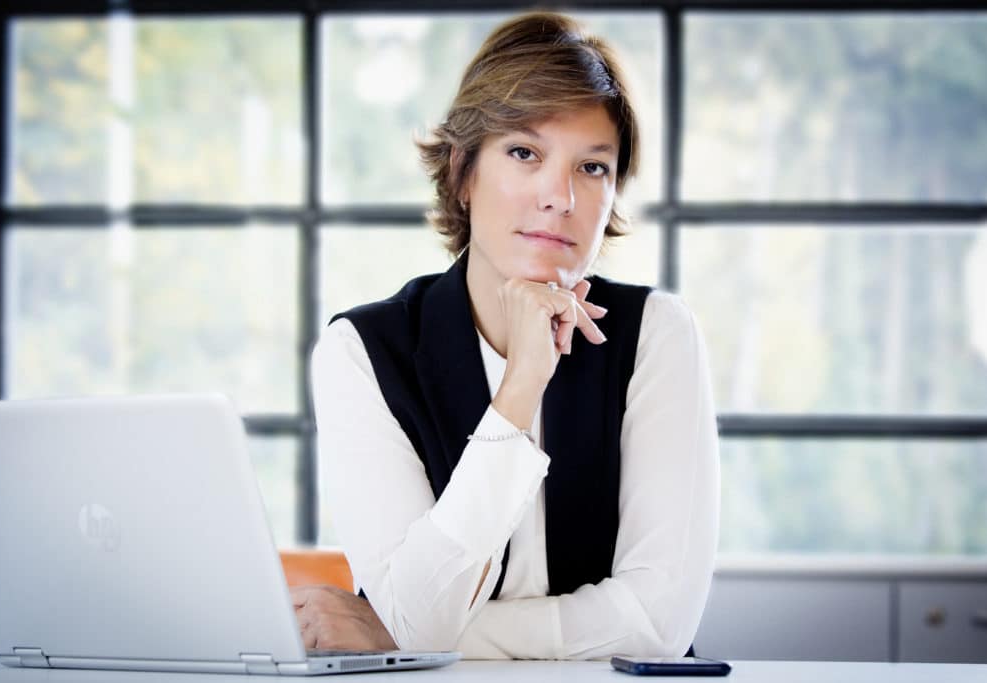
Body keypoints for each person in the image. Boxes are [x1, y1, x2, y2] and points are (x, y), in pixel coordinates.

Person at [295, 11, 720, 660]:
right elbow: (418, 620)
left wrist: (402, 635)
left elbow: (658, 623)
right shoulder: (362, 352)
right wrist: (520, 386)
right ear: (464, 174)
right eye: (525, 153)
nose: (561, 197)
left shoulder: (657, 335)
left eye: (593, 167)